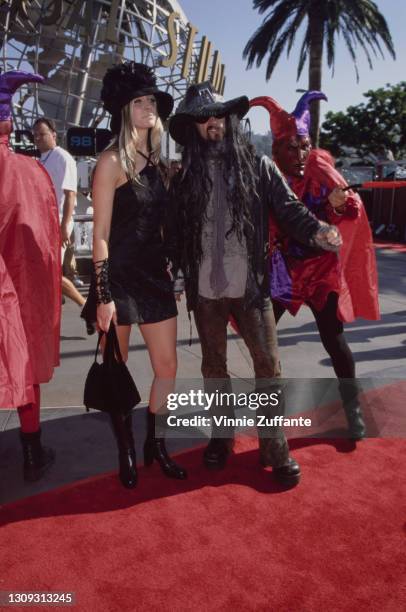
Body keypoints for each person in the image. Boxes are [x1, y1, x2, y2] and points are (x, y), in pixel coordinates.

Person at [168, 82, 342, 486]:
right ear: (193, 128)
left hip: (251, 287)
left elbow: (290, 209)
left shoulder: (258, 166)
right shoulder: (185, 177)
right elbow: (176, 235)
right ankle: (221, 437)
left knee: (268, 365)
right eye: (201, 118)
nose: (211, 123)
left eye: (216, 115)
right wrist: (174, 272)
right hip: (205, 293)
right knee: (214, 368)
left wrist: (319, 232)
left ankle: (273, 444)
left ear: (229, 119)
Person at [81, 61, 187, 488]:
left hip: (153, 276)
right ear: (124, 109)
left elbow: (164, 227)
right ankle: (125, 448)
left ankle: (155, 444)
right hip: (118, 277)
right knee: (117, 369)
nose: (148, 107)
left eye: (151, 101)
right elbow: (100, 234)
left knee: (168, 367)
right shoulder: (109, 162)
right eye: (139, 101)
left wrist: (173, 268)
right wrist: (102, 294)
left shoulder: (161, 163)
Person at [250, 92, 380, 438]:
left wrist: (336, 205)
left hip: (321, 270)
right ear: (276, 149)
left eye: (304, 145)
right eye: (291, 147)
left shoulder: (320, 171)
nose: (300, 153)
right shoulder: (265, 176)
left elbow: (347, 210)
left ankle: (353, 408)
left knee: (334, 340)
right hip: (284, 272)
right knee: (263, 342)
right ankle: (269, 416)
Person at [0, 69, 60, 481]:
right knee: (23, 365)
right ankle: (32, 453)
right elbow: (46, 246)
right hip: (15, 294)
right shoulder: (30, 171)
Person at [32, 117, 92, 332]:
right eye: (35, 135)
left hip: (57, 225)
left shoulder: (62, 157)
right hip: (43, 225)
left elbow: (70, 194)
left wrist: (65, 224)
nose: (38, 138)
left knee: (52, 275)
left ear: (54, 134)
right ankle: (50, 318)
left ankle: (86, 307)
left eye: (42, 133)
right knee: (45, 275)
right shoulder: (41, 160)